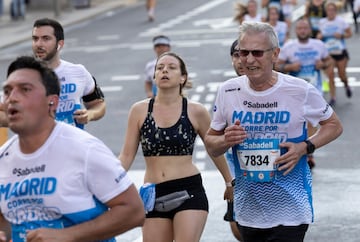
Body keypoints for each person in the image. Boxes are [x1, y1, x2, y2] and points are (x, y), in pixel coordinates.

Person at [204, 22, 343, 242]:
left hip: (291, 208)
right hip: (248, 210)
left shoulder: (299, 90)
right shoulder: (228, 91)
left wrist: (304, 147)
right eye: (243, 53)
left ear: (275, 54)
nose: (249, 60)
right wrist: (224, 140)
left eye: (257, 53)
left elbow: (334, 126)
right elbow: (210, 143)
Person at [0, 56, 145, 242]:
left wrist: (67, 235)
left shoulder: (85, 149)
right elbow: (5, 220)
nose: (12, 98)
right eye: (7, 91)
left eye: (25, 90)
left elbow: (134, 211)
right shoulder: (3, 158)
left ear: (52, 102)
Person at [119, 52, 234, 242]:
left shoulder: (196, 110)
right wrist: (107, 184)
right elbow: (126, 155)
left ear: (183, 77)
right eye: (159, 67)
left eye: (171, 67)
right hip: (153, 193)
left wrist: (229, 181)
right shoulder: (139, 110)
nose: (164, 70)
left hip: (188, 191)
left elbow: (213, 149)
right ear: (154, 76)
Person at [32, 18, 106, 129]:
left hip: (73, 144)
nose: (39, 44)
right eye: (35, 39)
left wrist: (90, 114)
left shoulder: (78, 72)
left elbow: (99, 105)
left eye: (46, 39)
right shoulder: (23, 76)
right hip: (39, 145)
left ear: (60, 44)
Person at [223, 39, 245, 242]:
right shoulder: (226, 91)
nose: (241, 60)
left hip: (275, 176)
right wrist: (228, 180)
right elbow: (213, 139)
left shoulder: (282, 87)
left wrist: (305, 147)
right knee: (238, 231)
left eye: (245, 54)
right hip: (237, 173)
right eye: (236, 55)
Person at [317, 1, 353, 106]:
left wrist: (341, 36)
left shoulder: (341, 21)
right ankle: (333, 97)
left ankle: (346, 84)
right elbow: (319, 34)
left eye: (333, 10)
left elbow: (349, 33)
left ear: (335, 11)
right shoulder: (322, 22)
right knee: (330, 75)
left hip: (340, 51)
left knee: (342, 75)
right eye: (328, 10)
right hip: (328, 53)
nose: (331, 12)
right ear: (326, 11)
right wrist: (319, 36)